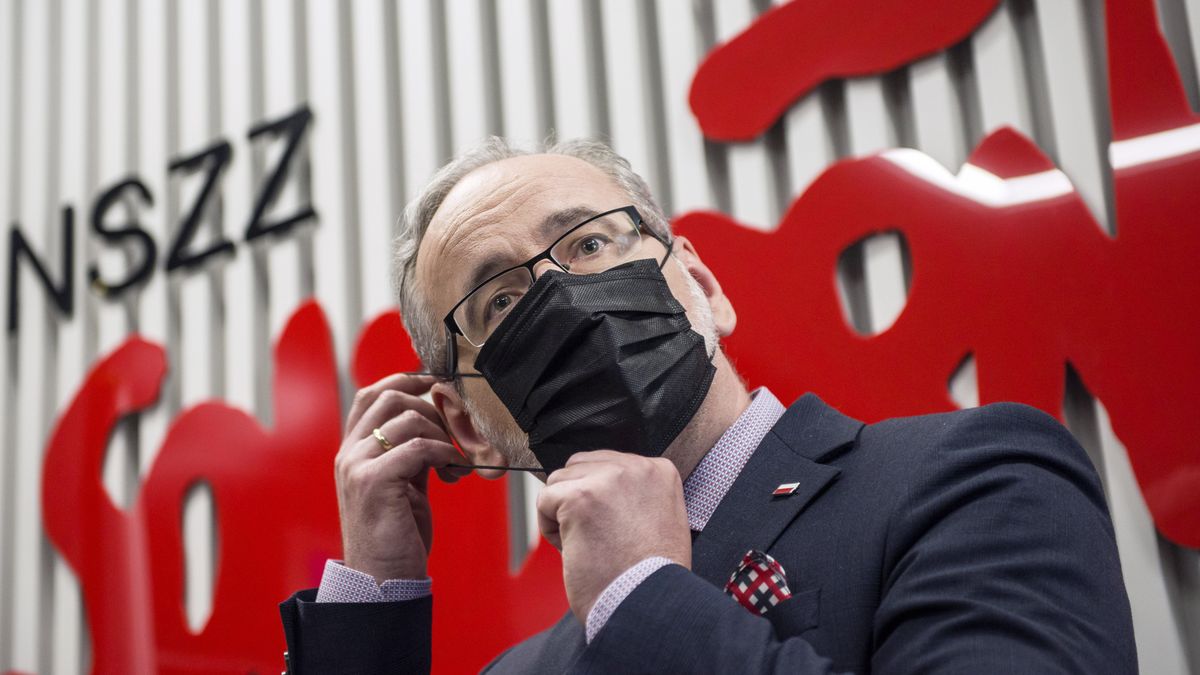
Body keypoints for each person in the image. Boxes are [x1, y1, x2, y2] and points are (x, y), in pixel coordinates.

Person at [279, 137, 1136, 673]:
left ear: (702, 283)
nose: (565, 295)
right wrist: (376, 600)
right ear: (468, 424)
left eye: (589, 243)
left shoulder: (971, 479)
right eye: (501, 299)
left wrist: (646, 596)